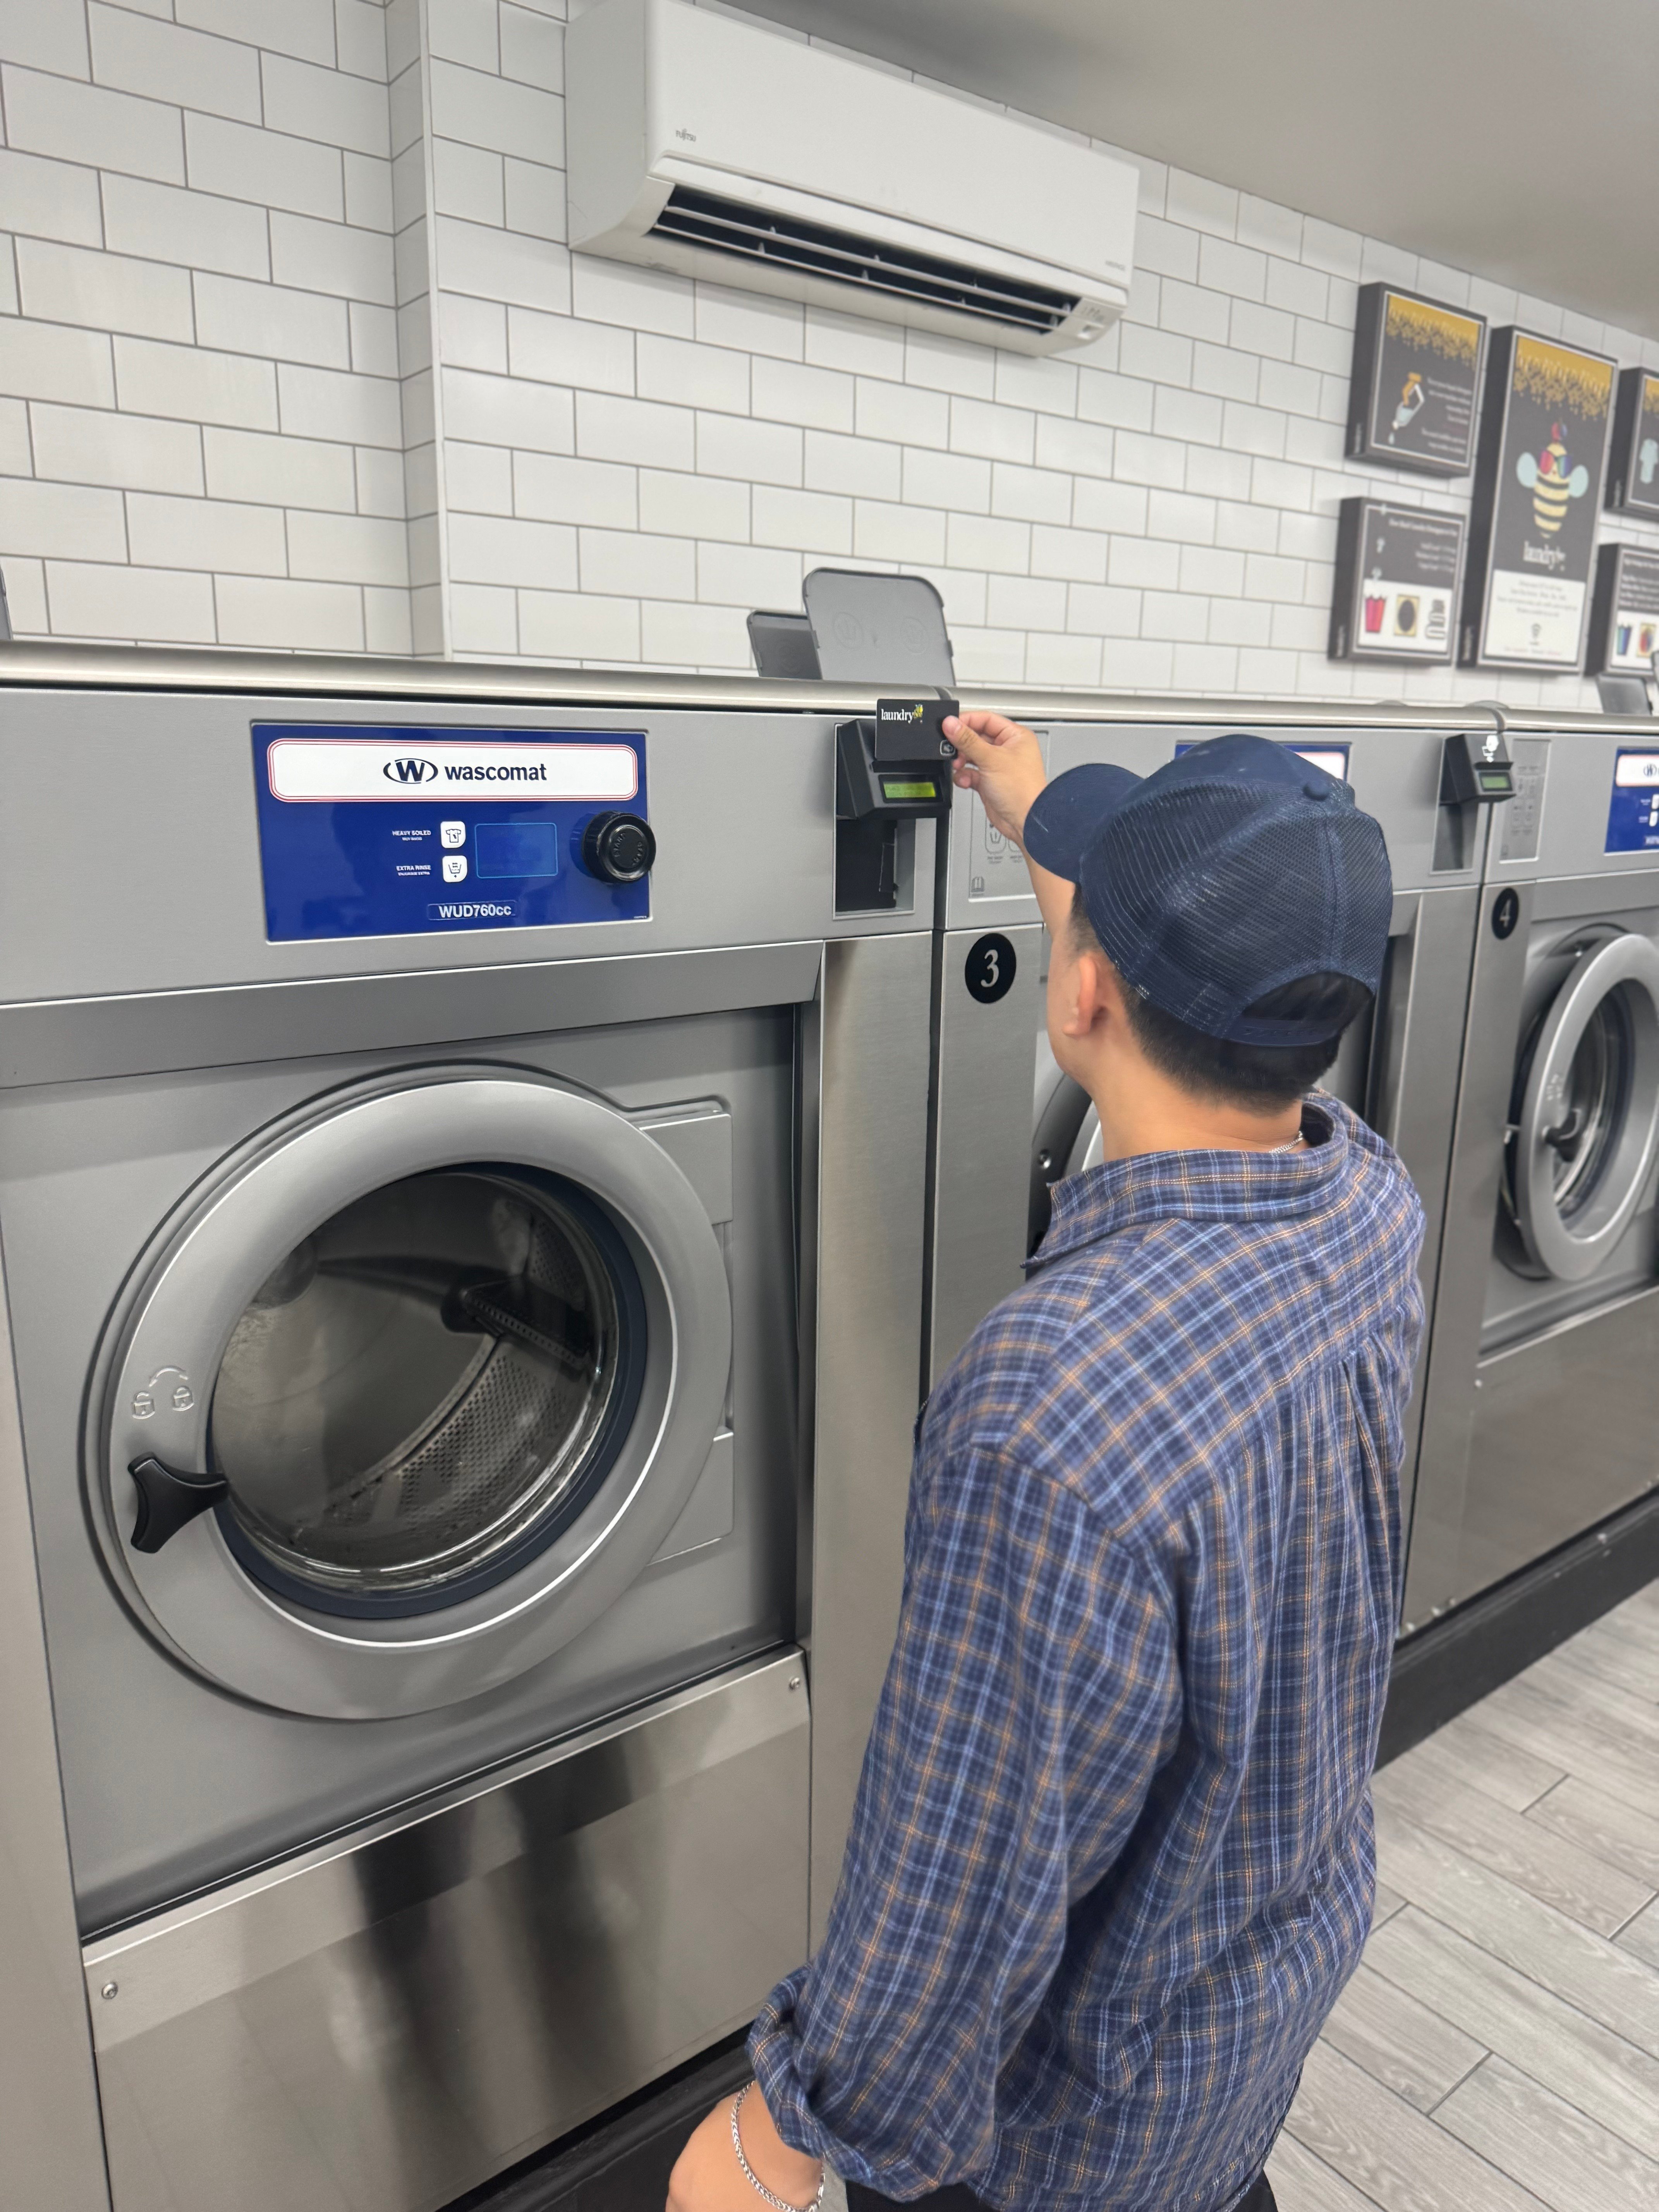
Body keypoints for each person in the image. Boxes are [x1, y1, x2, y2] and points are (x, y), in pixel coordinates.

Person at [667, 714, 1425, 2212]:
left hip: (1071, 2131)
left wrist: (785, 2132)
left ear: (1080, 995)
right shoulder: (1361, 1198)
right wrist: (1031, 812)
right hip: (1252, 1994)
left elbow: (962, 1863)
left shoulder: (1053, 1405)